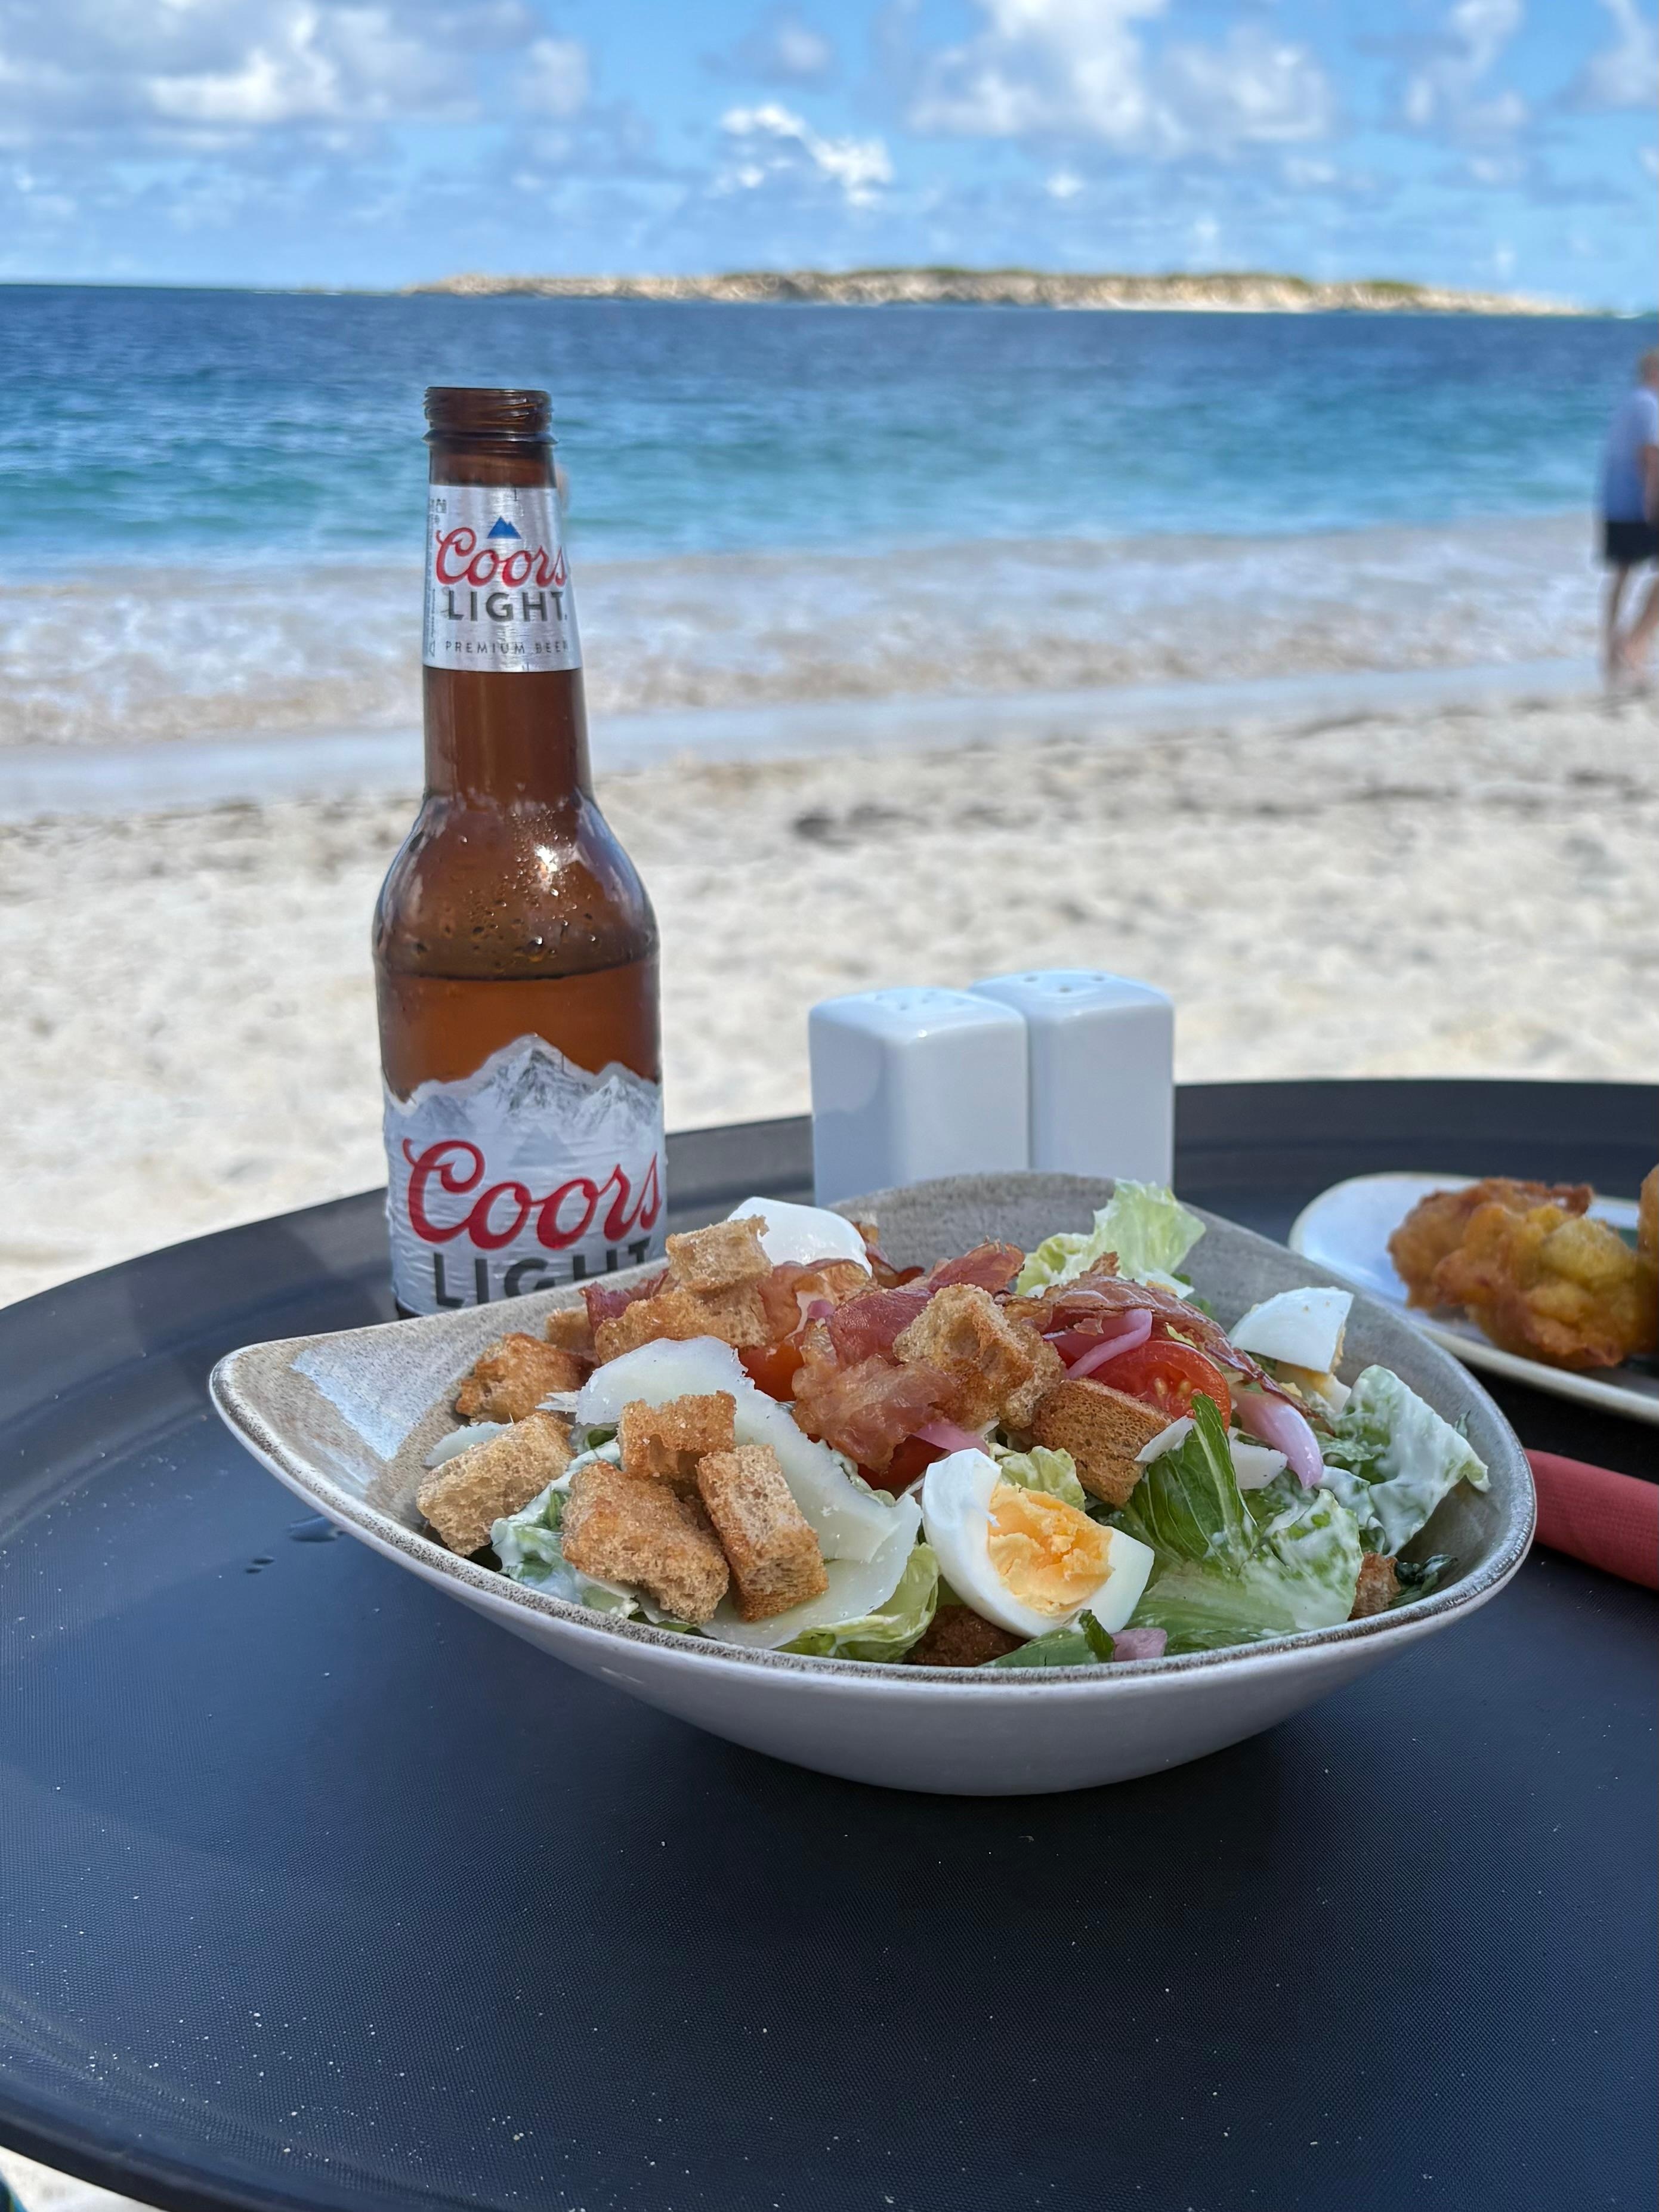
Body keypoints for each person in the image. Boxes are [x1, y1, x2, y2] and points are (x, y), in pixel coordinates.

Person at [1599, 348, 1659, 682]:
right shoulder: (1650, 404)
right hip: (1641, 503)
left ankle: (1611, 647)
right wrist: (1654, 499)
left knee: (1621, 575)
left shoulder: (1626, 403)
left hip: (1614, 502)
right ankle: (1635, 646)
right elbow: (1650, 455)